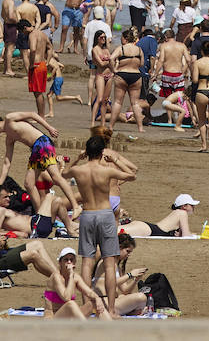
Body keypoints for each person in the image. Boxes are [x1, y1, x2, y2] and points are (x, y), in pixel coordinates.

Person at [67, 133, 136, 317]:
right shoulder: (107, 170)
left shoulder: (79, 170)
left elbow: (62, 173)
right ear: (101, 153)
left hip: (88, 214)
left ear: (87, 152)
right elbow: (131, 176)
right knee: (109, 263)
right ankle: (111, 310)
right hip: (105, 215)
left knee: (87, 263)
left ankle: (86, 307)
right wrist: (115, 160)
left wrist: (76, 158)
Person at [45, 246, 109, 319]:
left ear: (74, 262)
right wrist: (71, 275)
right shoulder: (56, 276)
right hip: (53, 317)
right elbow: (67, 298)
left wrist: (97, 298)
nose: (69, 262)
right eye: (66, 260)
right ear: (60, 262)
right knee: (71, 304)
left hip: (69, 318)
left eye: (71, 260)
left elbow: (89, 292)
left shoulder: (76, 277)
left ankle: (111, 327)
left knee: (94, 303)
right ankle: (85, 327)